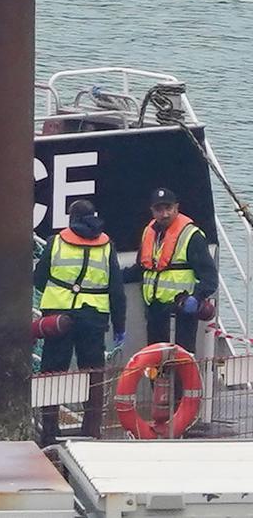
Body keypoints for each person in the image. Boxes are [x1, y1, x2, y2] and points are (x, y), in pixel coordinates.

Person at [33, 199, 126, 445]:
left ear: (71, 218)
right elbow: (116, 290)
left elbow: (39, 279)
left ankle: (49, 432)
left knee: (53, 372)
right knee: (92, 373)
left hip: (58, 317)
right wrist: (120, 326)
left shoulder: (56, 243)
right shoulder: (106, 246)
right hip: (94, 319)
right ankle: (91, 430)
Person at [123, 188, 218, 355]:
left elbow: (210, 277)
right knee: (155, 361)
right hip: (155, 310)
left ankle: (183, 382)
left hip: (182, 311)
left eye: (168, 208)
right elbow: (141, 268)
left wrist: (195, 298)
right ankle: (157, 381)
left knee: (182, 359)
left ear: (176, 208)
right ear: (152, 211)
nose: (164, 214)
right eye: (159, 209)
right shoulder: (149, 233)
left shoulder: (191, 236)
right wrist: (115, 277)